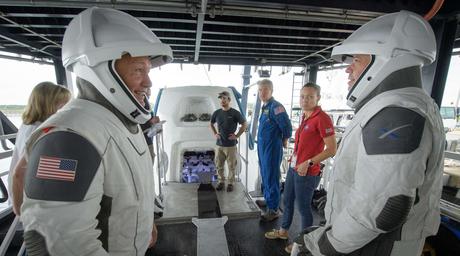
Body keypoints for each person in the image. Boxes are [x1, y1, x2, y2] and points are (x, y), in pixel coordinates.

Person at [19, 7, 172, 255]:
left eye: (148, 70)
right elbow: (53, 243)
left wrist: (144, 223)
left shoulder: (118, 123)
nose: (148, 82)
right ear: (101, 70)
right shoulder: (69, 138)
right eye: (138, 70)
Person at [291, 11, 444, 256]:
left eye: (357, 60)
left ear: (385, 61)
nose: (348, 70)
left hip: (375, 248)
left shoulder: (396, 114)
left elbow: (385, 207)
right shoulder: (405, 106)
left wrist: (326, 245)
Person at [264, 82, 336, 254]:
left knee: (304, 208)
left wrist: (309, 162)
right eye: (303, 96)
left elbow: (332, 149)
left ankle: (304, 244)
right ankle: (283, 231)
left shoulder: (322, 118)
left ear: (318, 98)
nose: (305, 100)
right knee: (287, 200)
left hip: (308, 172)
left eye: (310, 96)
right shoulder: (305, 115)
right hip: (294, 168)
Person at [9, 81, 71, 215]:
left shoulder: (28, 125)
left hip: (26, 192)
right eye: (62, 104)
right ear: (48, 104)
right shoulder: (41, 131)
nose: (66, 108)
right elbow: (20, 173)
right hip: (30, 197)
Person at [257, 79, 292, 221]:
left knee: (271, 176)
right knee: (265, 174)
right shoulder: (265, 107)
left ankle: (273, 209)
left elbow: (286, 126)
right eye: (260, 90)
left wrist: (285, 139)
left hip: (272, 147)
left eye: (265, 89)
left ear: (271, 91)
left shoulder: (276, 107)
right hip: (263, 146)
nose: (262, 92)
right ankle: (268, 199)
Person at [210, 91, 248, 192]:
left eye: (224, 98)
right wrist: (215, 133)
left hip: (231, 146)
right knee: (219, 165)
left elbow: (244, 124)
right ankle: (221, 182)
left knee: (231, 166)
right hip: (219, 145)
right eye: (221, 98)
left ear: (229, 100)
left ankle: (230, 183)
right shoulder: (217, 113)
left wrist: (237, 135)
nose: (222, 100)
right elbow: (211, 123)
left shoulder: (235, 113)